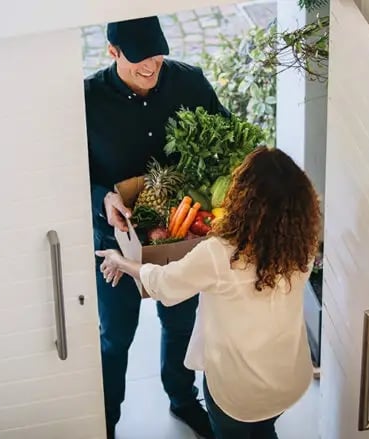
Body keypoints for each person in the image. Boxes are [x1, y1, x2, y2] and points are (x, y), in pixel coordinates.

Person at [96, 147, 321, 439]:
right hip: (286, 379)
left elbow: (165, 284)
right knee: (265, 428)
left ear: (243, 199)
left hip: (238, 393)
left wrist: (120, 259)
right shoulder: (302, 241)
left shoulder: (219, 254)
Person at [85, 15, 228, 439]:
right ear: (112, 53)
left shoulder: (190, 82)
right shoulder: (87, 100)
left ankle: (183, 400)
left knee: (181, 323)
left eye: (157, 60)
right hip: (115, 240)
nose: (150, 70)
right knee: (115, 337)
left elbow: (222, 138)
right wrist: (103, 199)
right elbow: (67, 172)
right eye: (138, 63)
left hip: (181, 236)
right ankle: (105, 420)